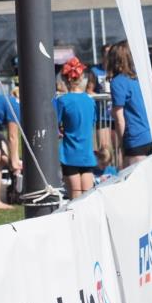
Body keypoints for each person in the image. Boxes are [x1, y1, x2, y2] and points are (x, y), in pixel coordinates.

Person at [54, 57, 97, 200]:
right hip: (87, 154)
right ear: (82, 78)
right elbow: (91, 123)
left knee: (74, 197)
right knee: (87, 198)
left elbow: (54, 125)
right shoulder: (90, 101)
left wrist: (60, 131)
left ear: (65, 80)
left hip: (69, 154)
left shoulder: (62, 101)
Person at [109, 40, 152, 168]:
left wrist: (121, 145)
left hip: (135, 139)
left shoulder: (118, 82)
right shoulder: (140, 79)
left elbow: (119, 118)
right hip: (151, 136)